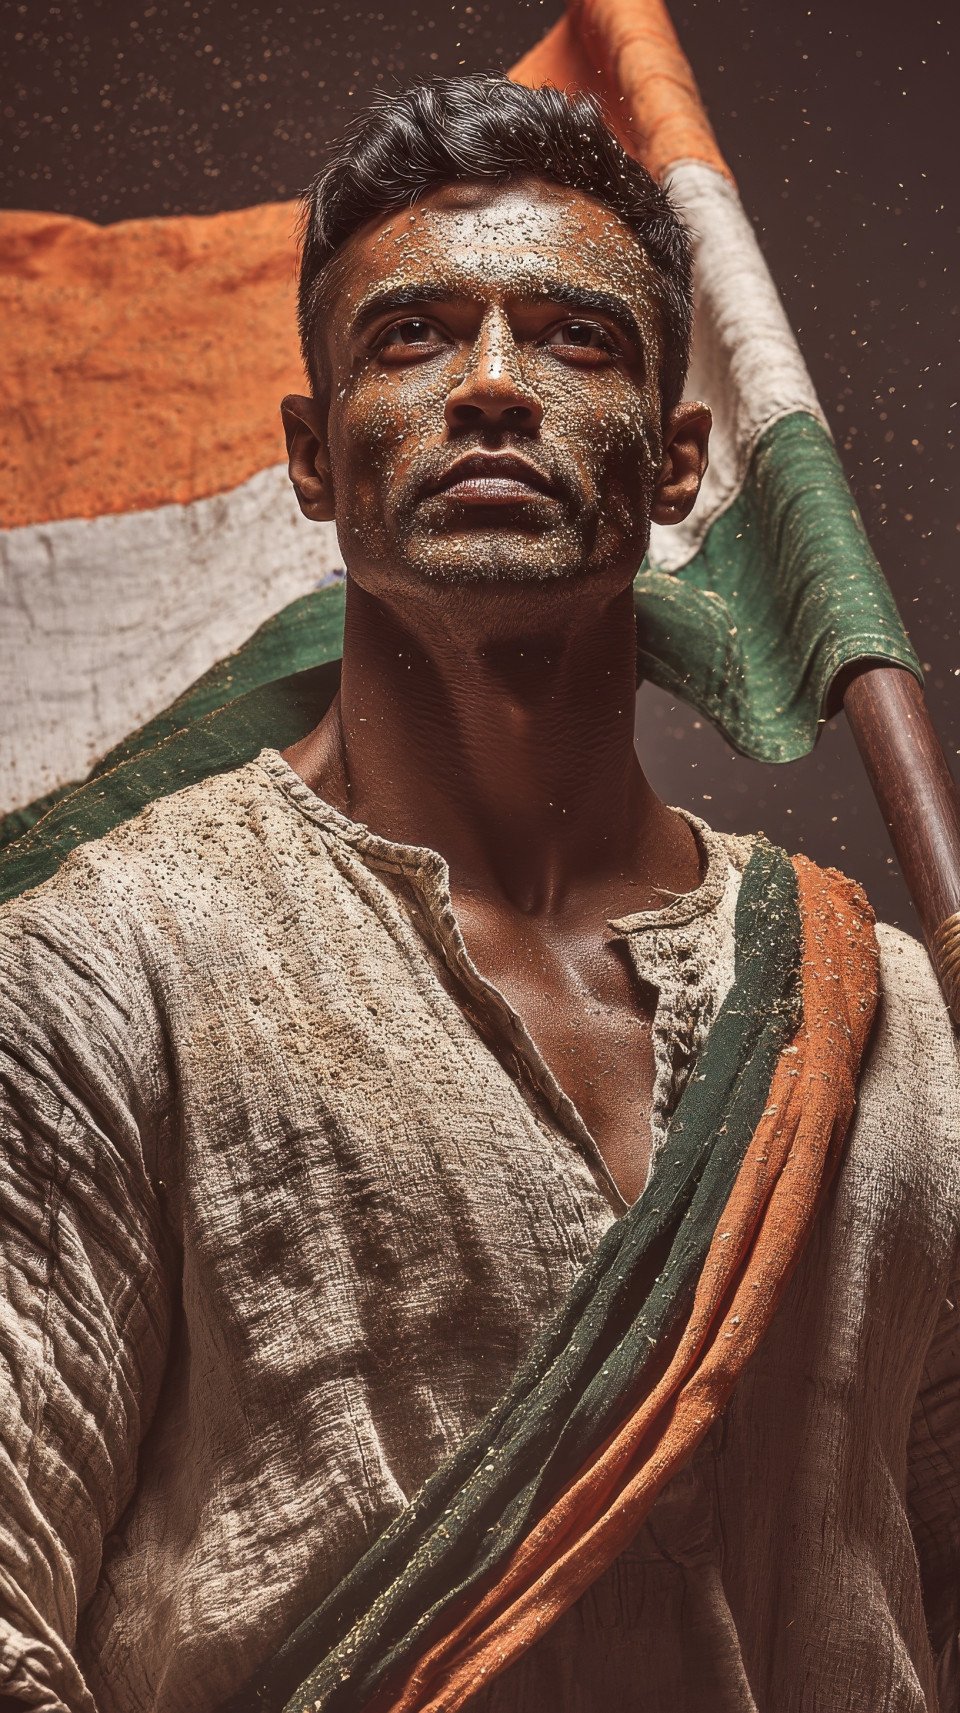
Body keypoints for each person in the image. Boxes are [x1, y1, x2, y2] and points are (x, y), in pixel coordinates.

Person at [0, 73, 958, 1713]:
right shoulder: (104, 971)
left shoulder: (896, 1024)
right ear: (312, 456)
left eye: (576, 339)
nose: (495, 387)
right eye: (411, 338)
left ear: (675, 463)